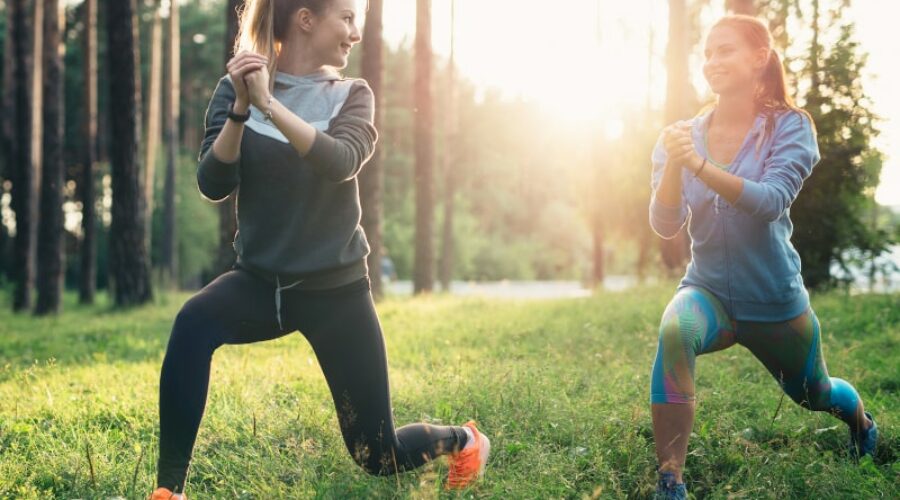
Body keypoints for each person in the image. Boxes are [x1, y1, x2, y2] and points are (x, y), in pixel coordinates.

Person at [150, 1, 489, 498]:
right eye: (346, 19)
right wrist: (243, 108)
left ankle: (464, 440)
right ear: (306, 19)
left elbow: (341, 161)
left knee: (377, 454)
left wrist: (270, 105)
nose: (355, 33)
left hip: (336, 290)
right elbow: (212, 181)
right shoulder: (236, 89)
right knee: (192, 323)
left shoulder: (353, 94)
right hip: (261, 283)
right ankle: (168, 491)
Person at [647, 15, 877, 500]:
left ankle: (862, 425)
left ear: (759, 58)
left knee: (815, 394)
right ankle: (671, 482)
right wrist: (674, 165)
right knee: (675, 331)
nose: (712, 61)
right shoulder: (683, 135)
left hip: (773, 300)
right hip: (707, 290)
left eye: (725, 50)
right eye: (707, 53)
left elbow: (770, 200)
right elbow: (666, 225)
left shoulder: (791, 127)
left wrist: (698, 165)